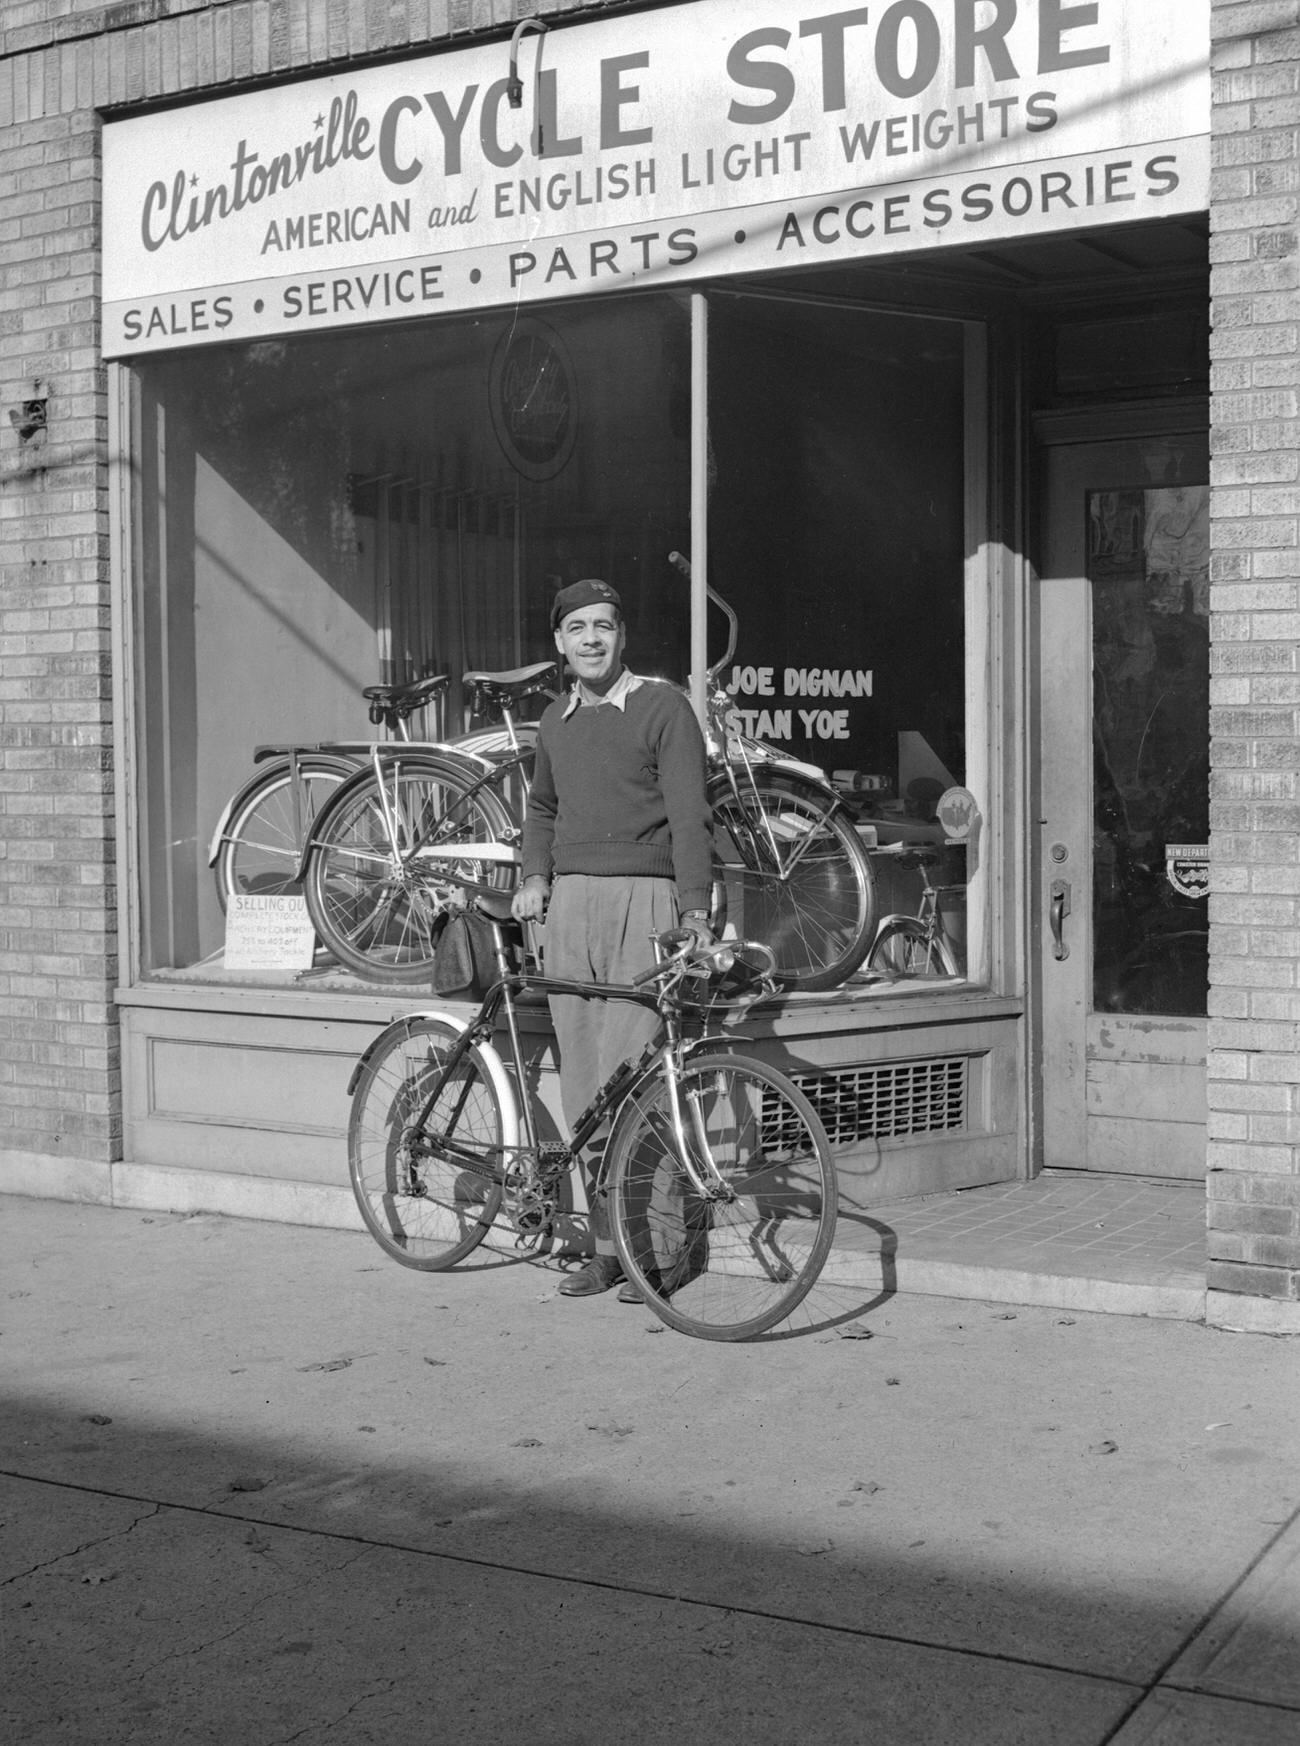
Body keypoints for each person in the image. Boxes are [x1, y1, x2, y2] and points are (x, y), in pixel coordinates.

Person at [511, 577, 714, 1299]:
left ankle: (665, 1252)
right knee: (585, 1088)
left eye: (603, 625)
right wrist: (534, 875)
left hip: (644, 904)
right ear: (559, 643)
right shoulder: (555, 721)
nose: (591, 639)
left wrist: (694, 914)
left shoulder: (663, 708)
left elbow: (691, 820)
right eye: (577, 629)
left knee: (641, 1085)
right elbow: (540, 809)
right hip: (570, 911)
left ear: (622, 636)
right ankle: (605, 1245)